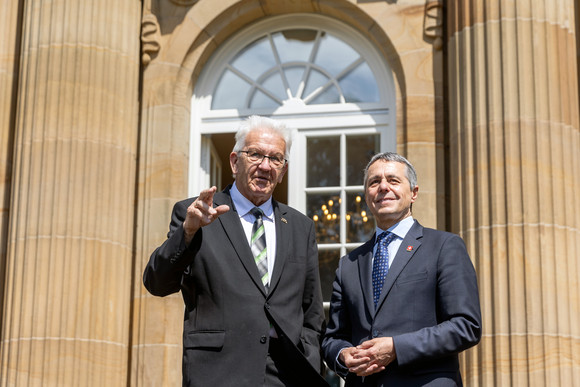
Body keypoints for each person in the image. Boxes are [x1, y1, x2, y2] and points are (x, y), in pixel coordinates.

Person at [143, 115, 328, 387]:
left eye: (275, 158)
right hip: (218, 373)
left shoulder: (301, 226)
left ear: (283, 170)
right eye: (255, 154)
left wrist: (309, 358)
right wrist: (188, 233)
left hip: (286, 377)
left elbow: (311, 312)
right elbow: (157, 283)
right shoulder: (196, 214)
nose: (265, 166)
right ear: (234, 162)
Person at [322, 152, 481, 386]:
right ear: (367, 196)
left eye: (393, 180)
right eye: (374, 182)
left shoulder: (444, 246)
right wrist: (343, 355)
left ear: (413, 193)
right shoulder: (349, 264)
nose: (383, 187)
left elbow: (466, 326)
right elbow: (333, 338)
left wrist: (396, 347)